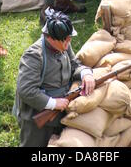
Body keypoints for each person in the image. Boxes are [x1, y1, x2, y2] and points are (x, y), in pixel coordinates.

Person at [13, 9, 95, 147]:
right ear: (49, 37)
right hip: (37, 114)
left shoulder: (63, 44)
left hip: (60, 110)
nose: (69, 42)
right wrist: (53, 103)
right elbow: (26, 90)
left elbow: (74, 64)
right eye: (65, 39)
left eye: (69, 38)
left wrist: (86, 74)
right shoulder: (34, 55)